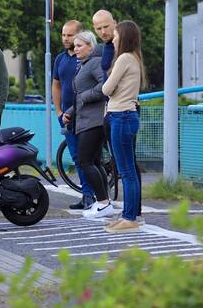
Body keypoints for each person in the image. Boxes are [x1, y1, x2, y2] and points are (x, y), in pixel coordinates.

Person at [61, 31, 115, 219]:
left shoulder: (95, 63)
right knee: (94, 162)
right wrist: (70, 111)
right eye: (74, 46)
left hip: (94, 121)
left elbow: (104, 86)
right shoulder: (84, 64)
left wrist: (85, 97)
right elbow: (80, 95)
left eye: (79, 45)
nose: (75, 49)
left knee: (85, 161)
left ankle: (103, 202)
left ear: (90, 46)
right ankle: (104, 202)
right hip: (86, 120)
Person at [103, 21, 146, 232]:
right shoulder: (134, 58)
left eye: (116, 35)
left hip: (120, 116)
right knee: (128, 170)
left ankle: (129, 219)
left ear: (125, 37)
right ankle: (130, 215)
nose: (113, 39)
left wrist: (109, 85)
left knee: (126, 171)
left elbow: (106, 88)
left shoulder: (123, 58)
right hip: (127, 115)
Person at [52, 19, 95, 210]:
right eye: (63, 35)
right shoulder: (60, 59)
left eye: (70, 35)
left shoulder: (86, 57)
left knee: (89, 158)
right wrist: (58, 111)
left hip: (87, 115)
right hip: (67, 117)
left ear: (80, 34)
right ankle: (87, 195)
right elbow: (56, 85)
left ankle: (98, 195)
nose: (65, 38)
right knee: (77, 157)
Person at [92, 9, 117, 77]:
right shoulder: (99, 49)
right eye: (99, 29)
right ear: (94, 29)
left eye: (106, 27)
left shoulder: (124, 46)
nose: (103, 32)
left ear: (114, 23)